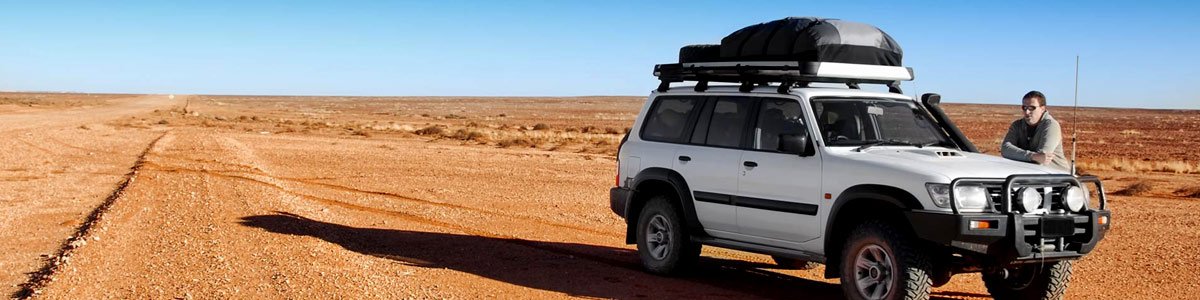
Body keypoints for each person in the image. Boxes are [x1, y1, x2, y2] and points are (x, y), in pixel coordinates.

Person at [1001, 91, 1070, 171]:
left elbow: (1042, 159)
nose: (1027, 112)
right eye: (1024, 108)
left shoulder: (1051, 125)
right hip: (1031, 174)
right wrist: (1032, 156)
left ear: (1042, 108)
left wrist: (1018, 155)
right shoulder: (1017, 125)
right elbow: (1005, 149)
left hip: (1059, 178)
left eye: (1031, 108)